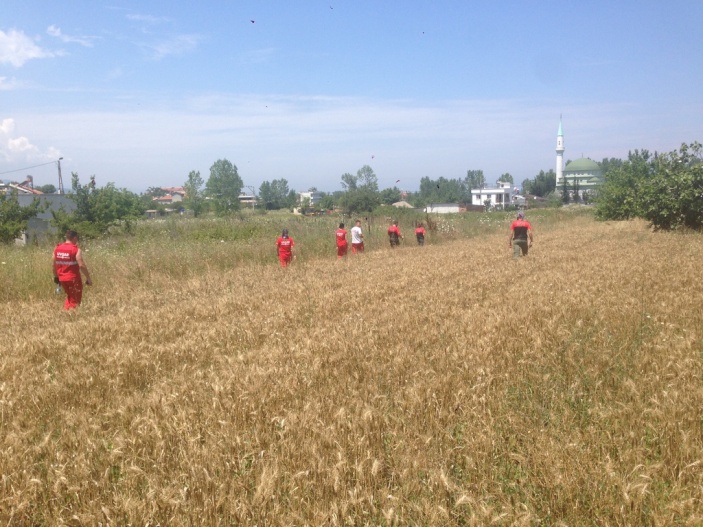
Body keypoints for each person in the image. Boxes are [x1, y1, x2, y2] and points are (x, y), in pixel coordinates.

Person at [52, 229, 92, 310]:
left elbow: (53, 264)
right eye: (77, 238)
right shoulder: (76, 249)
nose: (77, 240)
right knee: (75, 300)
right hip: (73, 279)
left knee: (70, 296)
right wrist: (88, 278)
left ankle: (66, 312)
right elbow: (81, 265)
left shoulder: (57, 248)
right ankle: (71, 317)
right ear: (74, 238)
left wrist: (56, 277)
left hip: (62, 278)